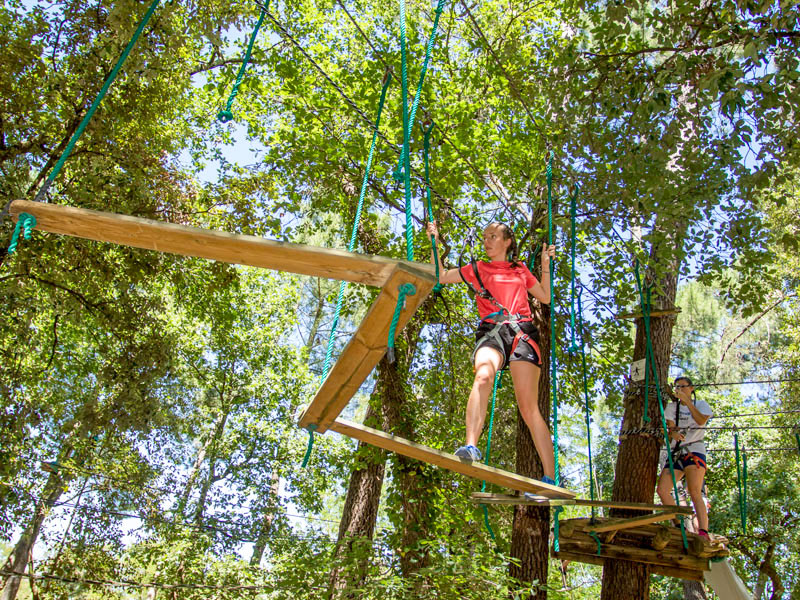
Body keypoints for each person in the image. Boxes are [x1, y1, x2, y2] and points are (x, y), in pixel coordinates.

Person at [427, 220, 557, 486]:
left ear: (507, 242)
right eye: (485, 236)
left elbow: (544, 296)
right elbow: (440, 275)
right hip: (492, 331)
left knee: (528, 407)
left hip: (522, 332)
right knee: (483, 377)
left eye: (493, 236)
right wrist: (434, 243)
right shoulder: (476, 268)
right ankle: (470, 446)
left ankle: (550, 478)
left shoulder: (519, 269)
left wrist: (545, 266)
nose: (487, 241)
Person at [656, 376, 713, 539]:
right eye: (677, 387)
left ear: (691, 388)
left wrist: (687, 402)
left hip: (694, 449)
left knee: (694, 491)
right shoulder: (672, 407)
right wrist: (672, 432)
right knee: (662, 490)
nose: (679, 389)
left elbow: (701, 421)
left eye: (683, 386)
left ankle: (703, 531)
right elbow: (670, 427)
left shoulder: (700, 405)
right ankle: (679, 525)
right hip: (676, 452)